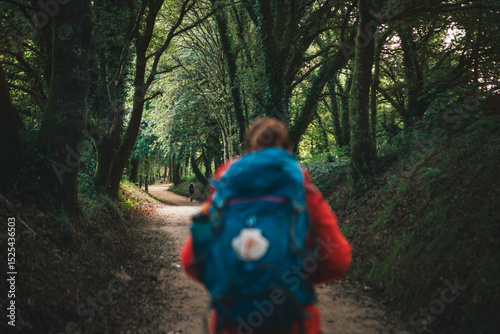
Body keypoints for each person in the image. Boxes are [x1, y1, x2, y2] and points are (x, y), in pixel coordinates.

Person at [180, 117, 352, 334]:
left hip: (231, 322)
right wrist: (295, 277)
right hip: (294, 322)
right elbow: (337, 260)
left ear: (249, 149)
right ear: (288, 148)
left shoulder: (224, 192)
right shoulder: (303, 193)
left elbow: (190, 260)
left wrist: (231, 282)